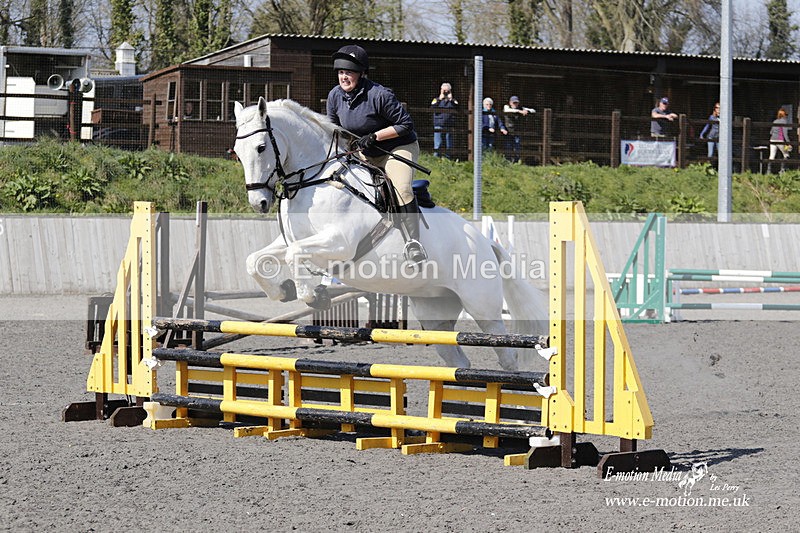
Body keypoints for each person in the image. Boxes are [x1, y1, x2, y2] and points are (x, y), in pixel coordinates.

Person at [326, 44, 426, 264]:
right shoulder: (334, 96)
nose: (344, 77)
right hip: (364, 152)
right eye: (341, 72)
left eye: (349, 72)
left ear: (361, 73)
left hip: (396, 148)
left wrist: (375, 136)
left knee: (401, 188)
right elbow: (334, 130)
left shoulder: (379, 94)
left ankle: (414, 243)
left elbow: (405, 124)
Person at [503, 95, 534, 162]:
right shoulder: (506, 107)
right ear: (510, 103)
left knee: (517, 146)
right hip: (508, 131)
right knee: (508, 146)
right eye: (514, 102)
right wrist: (520, 111)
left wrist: (526, 110)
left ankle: (516, 161)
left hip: (517, 131)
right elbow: (507, 110)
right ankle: (508, 160)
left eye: (516, 102)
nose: (515, 104)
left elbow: (533, 110)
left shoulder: (521, 108)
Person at [430, 82, 458, 158]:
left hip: (449, 124)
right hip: (439, 124)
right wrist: (440, 99)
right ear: (441, 90)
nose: (445, 92)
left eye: (447, 91)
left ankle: (448, 158)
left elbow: (457, 106)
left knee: (449, 142)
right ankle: (436, 158)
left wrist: (451, 99)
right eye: (444, 90)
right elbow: (432, 108)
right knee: (438, 142)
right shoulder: (436, 99)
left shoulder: (453, 101)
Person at [768, 108, 791, 173]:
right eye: (786, 114)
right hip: (780, 139)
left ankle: (768, 171)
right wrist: (788, 142)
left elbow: (771, 132)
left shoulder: (775, 121)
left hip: (772, 140)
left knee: (771, 156)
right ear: (784, 115)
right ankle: (783, 170)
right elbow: (785, 133)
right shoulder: (784, 122)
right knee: (786, 155)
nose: (787, 116)